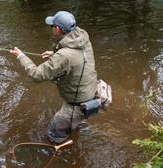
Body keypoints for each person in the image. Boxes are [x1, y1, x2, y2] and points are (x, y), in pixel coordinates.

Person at [10, 11, 98, 144]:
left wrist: (21, 56)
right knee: (78, 124)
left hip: (76, 105)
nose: (52, 28)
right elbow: (75, 58)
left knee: (52, 136)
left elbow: (36, 75)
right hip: (91, 95)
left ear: (58, 29)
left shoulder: (64, 56)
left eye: (53, 26)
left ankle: (63, 151)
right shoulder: (83, 39)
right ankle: (84, 138)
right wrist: (55, 54)